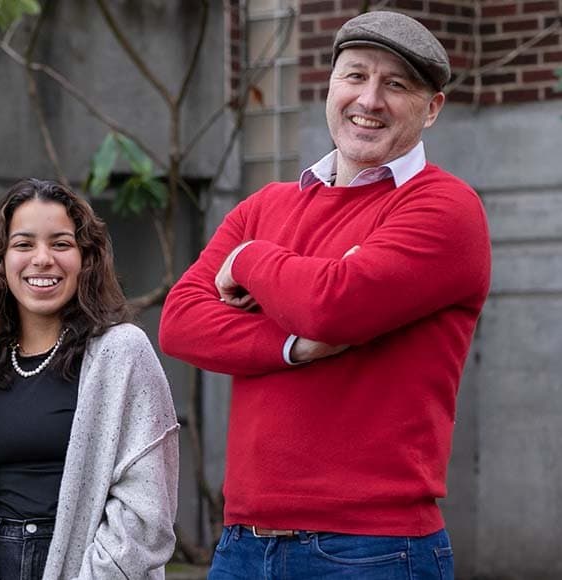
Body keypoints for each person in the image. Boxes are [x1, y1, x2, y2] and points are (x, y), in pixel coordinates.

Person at [159, 11, 491, 579]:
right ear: (330, 86)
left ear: (431, 107)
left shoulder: (444, 209)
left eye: (397, 84)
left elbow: (331, 305)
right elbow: (182, 322)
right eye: (355, 76)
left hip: (372, 550)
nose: (370, 99)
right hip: (243, 545)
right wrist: (294, 343)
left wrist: (248, 260)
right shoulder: (265, 205)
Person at [0, 178, 180, 579]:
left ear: (86, 259)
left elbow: (144, 511)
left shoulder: (122, 354)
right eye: (23, 244)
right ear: (1, 262)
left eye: (61, 244)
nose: (42, 259)